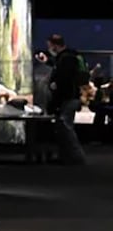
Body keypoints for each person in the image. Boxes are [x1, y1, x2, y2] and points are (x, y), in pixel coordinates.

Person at [36, 34, 89, 165]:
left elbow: (63, 77)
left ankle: (78, 158)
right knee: (63, 128)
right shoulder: (67, 57)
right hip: (70, 97)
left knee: (66, 128)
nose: (49, 49)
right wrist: (47, 61)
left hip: (68, 98)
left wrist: (55, 88)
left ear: (54, 45)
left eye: (49, 46)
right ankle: (68, 157)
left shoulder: (66, 59)